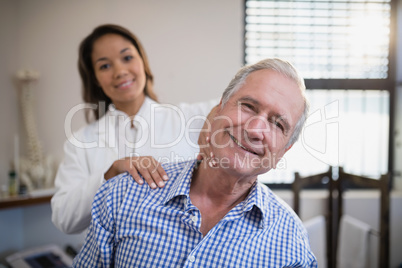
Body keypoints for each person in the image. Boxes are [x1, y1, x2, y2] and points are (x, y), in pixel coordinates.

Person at [72, 58, 317, 267]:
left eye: (277, 124)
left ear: (283, 152)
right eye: (249, 106)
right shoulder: (122, 195)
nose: (255, 130)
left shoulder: (291, 244)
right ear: (218, 109)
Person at [51, 24, 217, 234]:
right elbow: (64, 218)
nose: (120, 71)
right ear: (95, 79)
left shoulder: (191, 118)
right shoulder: (81, 141)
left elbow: (244, 103)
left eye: (127, 58)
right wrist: (109, 174)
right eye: (104, 66)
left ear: (143, 62)